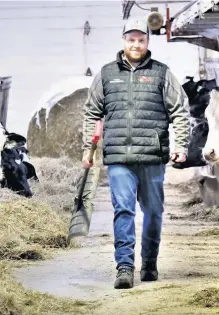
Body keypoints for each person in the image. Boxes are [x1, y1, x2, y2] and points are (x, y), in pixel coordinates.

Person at [81, 18, 190, 289]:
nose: (136, 44)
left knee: (153, 212)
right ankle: (125, 267)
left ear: (148, 43)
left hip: (153, 156)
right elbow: (92, 113)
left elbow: (180, 111)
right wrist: (88, 149)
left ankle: (150, 262)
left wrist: (181, 146)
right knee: (123, 211)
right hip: (119, 157)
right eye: (131, 39)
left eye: (141, 40)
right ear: (123, 41)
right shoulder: (106, 74)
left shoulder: (162, 73)